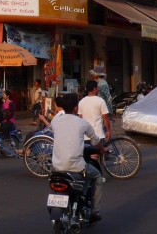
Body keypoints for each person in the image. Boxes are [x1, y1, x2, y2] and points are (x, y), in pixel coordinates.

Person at [50, 91, 105, 222]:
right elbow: (96, 142)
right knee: (97, 177)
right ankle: (95, 212)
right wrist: (103, 149)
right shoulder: (82, 123)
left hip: (56, 167)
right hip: (77, 167)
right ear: (76, 108)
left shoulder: (55, 121)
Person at [78, 80, 112, 144]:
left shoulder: (81, 102)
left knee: (89, 153)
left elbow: (80, 119)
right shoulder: (100, 101)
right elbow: (105, 117)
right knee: (97, 152)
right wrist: (108, 131)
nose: (98, 89)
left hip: (86, 135)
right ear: (94, 88)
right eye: (97, 87)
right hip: (98, 134)